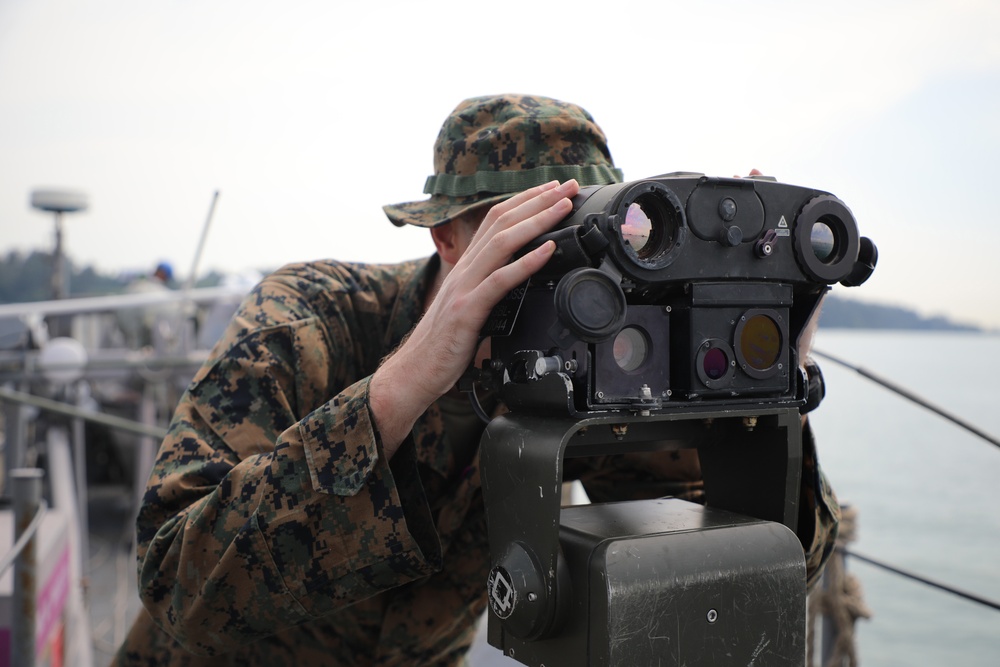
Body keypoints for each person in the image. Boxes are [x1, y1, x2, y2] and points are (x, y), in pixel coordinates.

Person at [114, 94, 839, 666]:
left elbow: (761, 564)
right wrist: (401, 387)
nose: (551, 279)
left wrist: (769, 387)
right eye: (520, 243)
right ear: (447, 238)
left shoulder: (595, 356)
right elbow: (178, 579)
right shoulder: (310, 320)